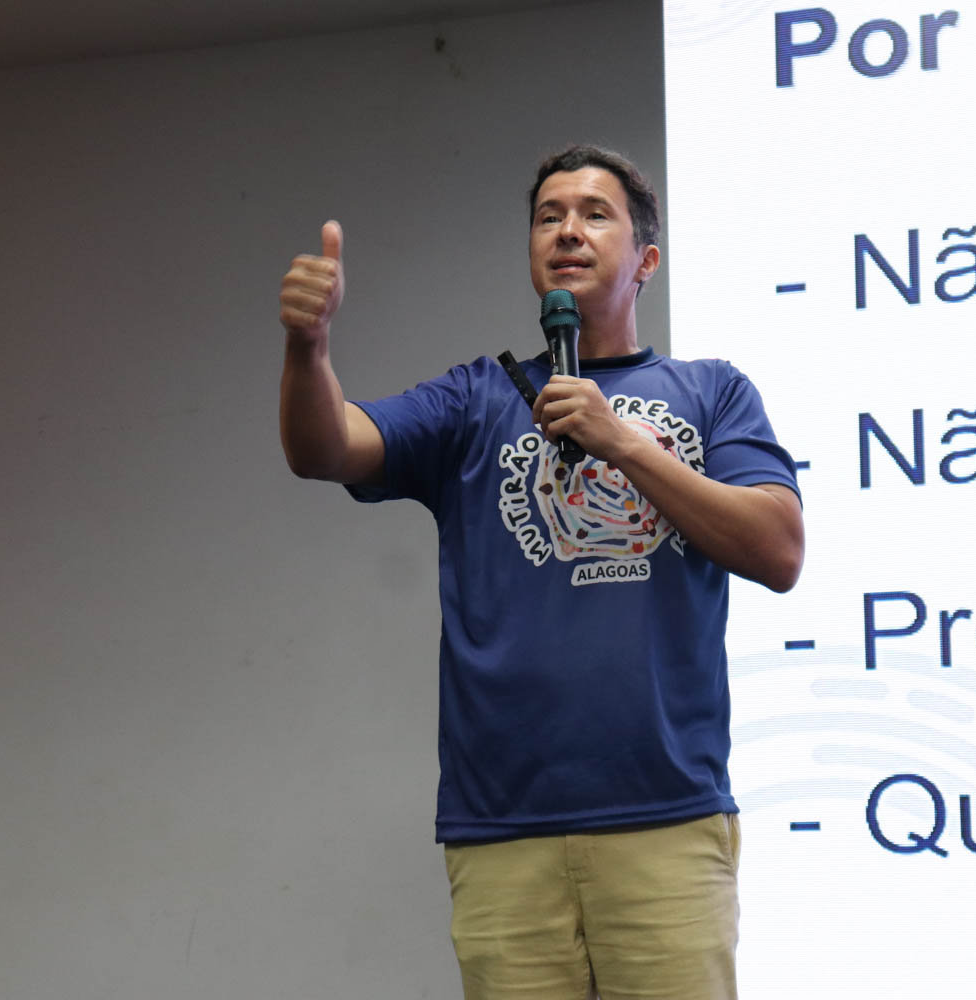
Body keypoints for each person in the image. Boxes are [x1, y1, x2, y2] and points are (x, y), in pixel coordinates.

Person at [278, 145, 804, 1000]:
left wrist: (621, 442)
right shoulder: (473, 400)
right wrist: (309, 349)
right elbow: (325, 449)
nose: (567, 230)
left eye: (596, 214)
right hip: (504, 830)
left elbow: (778, 551)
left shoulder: (711, 392)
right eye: (548, 216)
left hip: (666, 818)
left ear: (647, 260)